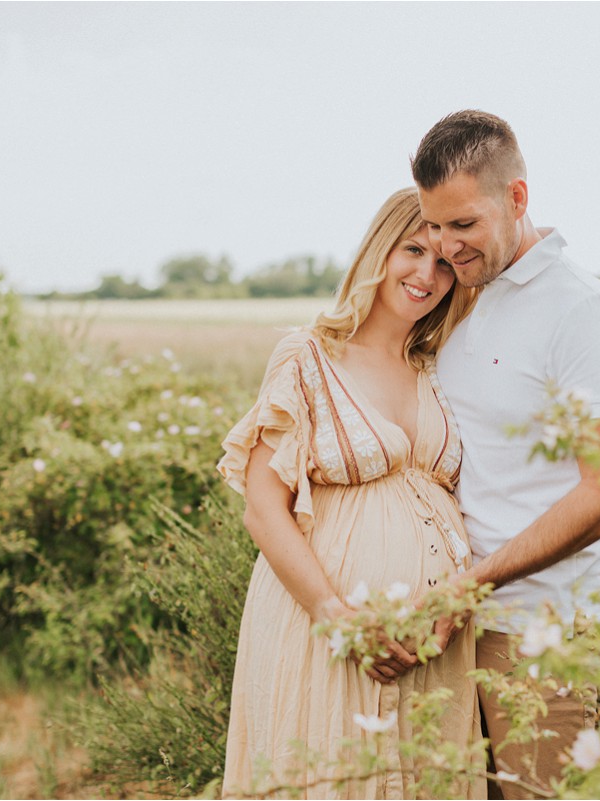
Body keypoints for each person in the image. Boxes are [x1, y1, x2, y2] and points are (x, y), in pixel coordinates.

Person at [217, 187, 487, 799]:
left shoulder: (437, 369)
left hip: (435, 642)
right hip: (327, 629)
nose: (427, 274)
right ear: (377, 251)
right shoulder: (308, 356)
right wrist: (338, 619)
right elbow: (263, 509)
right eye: (412, 250)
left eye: (444, 261)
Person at [411, 110, 600, 799]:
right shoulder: (471, 301)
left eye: (464, 224)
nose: (447, 247)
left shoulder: (580, 310)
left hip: (540, 636)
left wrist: (474, 581)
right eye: (435, 225)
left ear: (516, 198)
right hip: (459, 633)